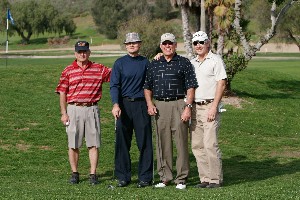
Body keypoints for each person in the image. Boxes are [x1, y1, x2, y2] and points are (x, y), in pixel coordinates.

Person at [144, 33, 198, 190]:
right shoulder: (153, 64)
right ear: (161, 46)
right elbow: (147, 87)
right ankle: (165, 177)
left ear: (175, 45)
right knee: (163, 143)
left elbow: (190, 87)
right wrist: (149, 104)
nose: (168, 46)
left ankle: (181, 178)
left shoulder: (184, 62)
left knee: (181, 142)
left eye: (171, 43)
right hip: (160, 106)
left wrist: (188, 107)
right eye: (165, 44)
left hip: (179, 104)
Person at [55, 41, 111, 185]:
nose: (82, 54)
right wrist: (64, 113)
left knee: (93, 144)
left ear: (89, 52)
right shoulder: (68, 70)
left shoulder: (99, 69)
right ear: (75, 53)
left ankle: (93, 174)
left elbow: (116, 74)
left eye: (85, 51)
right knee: (73, 144)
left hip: (92, 108)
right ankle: (75, 173)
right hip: (73, 109)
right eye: (80, 52)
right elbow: (62, 92)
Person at [110, 32, 153, 188]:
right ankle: (123, 176)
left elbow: (150, 84)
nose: (132, 45)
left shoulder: (146, 62)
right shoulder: (119, 63)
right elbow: (114, 85)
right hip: (124, 105)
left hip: (141, 105)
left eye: (134, 42)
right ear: (125, 45)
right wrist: (116, 104)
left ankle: (145, 177)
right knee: (122, 142)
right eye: (129, 43)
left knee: (145, 142)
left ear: (139, 44)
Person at [190, 31, 227, 188]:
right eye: (195, 43)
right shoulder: (192, 62)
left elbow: (222, 83)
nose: (198, 45)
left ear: (208, 43)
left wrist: (214, 106)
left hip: (209, 106)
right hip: (194, 108)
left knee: (210, 144)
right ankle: (204, 178)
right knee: (197, 145)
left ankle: (215, 179)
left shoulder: (215, 60)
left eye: (201, 42)